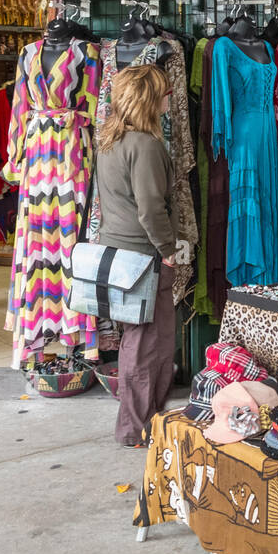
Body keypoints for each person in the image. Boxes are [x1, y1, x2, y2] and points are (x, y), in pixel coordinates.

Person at [94, 63, 178, 447]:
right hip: (144, 257)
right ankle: (136, 427)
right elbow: (150, 209)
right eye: (164, 91)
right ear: (149, 98)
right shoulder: (145, 146)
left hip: (120, 253)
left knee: (143, 340)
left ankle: (143, 421)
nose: (169, 97)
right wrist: (168, 251)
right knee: (147, 344)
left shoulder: (111, 140)